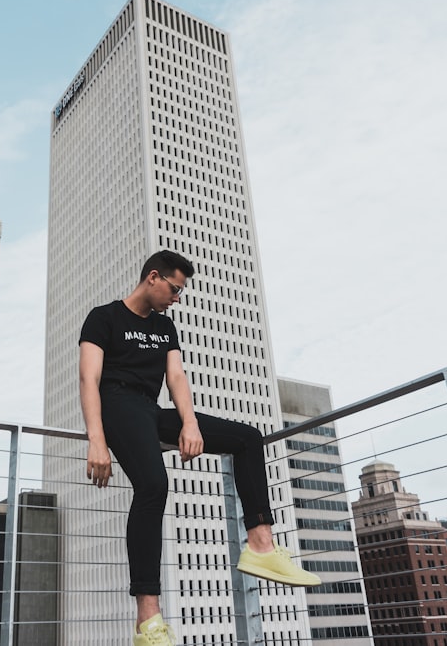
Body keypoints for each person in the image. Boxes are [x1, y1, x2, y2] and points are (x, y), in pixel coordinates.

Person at [79, 250, 321, 646]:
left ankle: (261, 546)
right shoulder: (104, 317)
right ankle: (148, 621)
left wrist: (189, 423)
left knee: (247, 437)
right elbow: (89, 379)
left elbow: (176, 376)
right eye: (175, 289)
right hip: (117, 405)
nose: (177, 298)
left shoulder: (165, 327)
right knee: (153, 486)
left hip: (150, 409)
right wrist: (97, 441)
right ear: (153, 277)